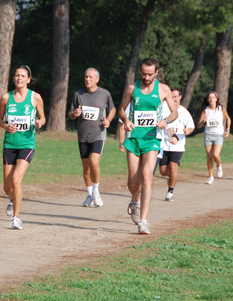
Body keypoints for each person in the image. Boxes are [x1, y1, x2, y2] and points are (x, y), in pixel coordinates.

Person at [118, 58, 177, 235]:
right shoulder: (132, 88)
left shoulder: (163, 89)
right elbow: (121, 109)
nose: (146, 77)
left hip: (152, 138)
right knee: (133, 182)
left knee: (146, 176)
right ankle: (135, 200)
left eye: (150, 74)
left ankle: (143, 221)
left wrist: (165, 121)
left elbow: (174, 112)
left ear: (156, 73)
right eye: (143, 73)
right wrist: (126, 120)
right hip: (134, 138)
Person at [0, 65, 45, 230]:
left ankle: (16, 218)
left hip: (27, 144)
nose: (19, 78)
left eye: (23, 76)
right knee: (7, 187)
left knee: (16, 180)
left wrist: (40, 122)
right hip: (9, 144)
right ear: (13, 78)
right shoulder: (5, 97)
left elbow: (43, 118)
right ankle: (12, 198)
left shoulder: (35, 97)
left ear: (28, 79)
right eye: (17, 75)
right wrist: (5, 126)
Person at [68, 68, 116, 208]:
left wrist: (108, 120)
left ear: (97, 79)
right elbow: (70, 114)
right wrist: (75, 114)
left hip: (98, 134)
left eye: (90, 77)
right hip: (83, 135)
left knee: (94, 162)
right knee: (86, 167)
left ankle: (96, 191)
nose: (87, 79)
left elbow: (112, 109)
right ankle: (89, 195)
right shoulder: (78, 94)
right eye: (86, 77)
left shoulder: (104, 94)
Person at [158, 89, 195, 202]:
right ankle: (172, 177)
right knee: (163, 171)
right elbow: (166, 126)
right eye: (171, 97)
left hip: (177, 146)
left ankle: (170, 191)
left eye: (175, 96)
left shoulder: (184, 112)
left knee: (173, 167)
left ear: (180, 97)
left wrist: (187, 131)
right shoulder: (164, 109)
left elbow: (191, 126)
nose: (173, 99)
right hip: (163, 144)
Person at [197, 91, 231, 184]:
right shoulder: (205, 110)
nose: (211, 99)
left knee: (215, 155)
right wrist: (203, 121)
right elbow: (199, 125)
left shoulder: (221, 108)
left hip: (218, 134)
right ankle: (211, 176)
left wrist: (228, 129)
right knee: (209, 156)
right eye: (210, 97)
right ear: (207, 100)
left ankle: (219, 165)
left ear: (216, 99)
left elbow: (228, 118)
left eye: (213, 97)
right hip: (208, 134)